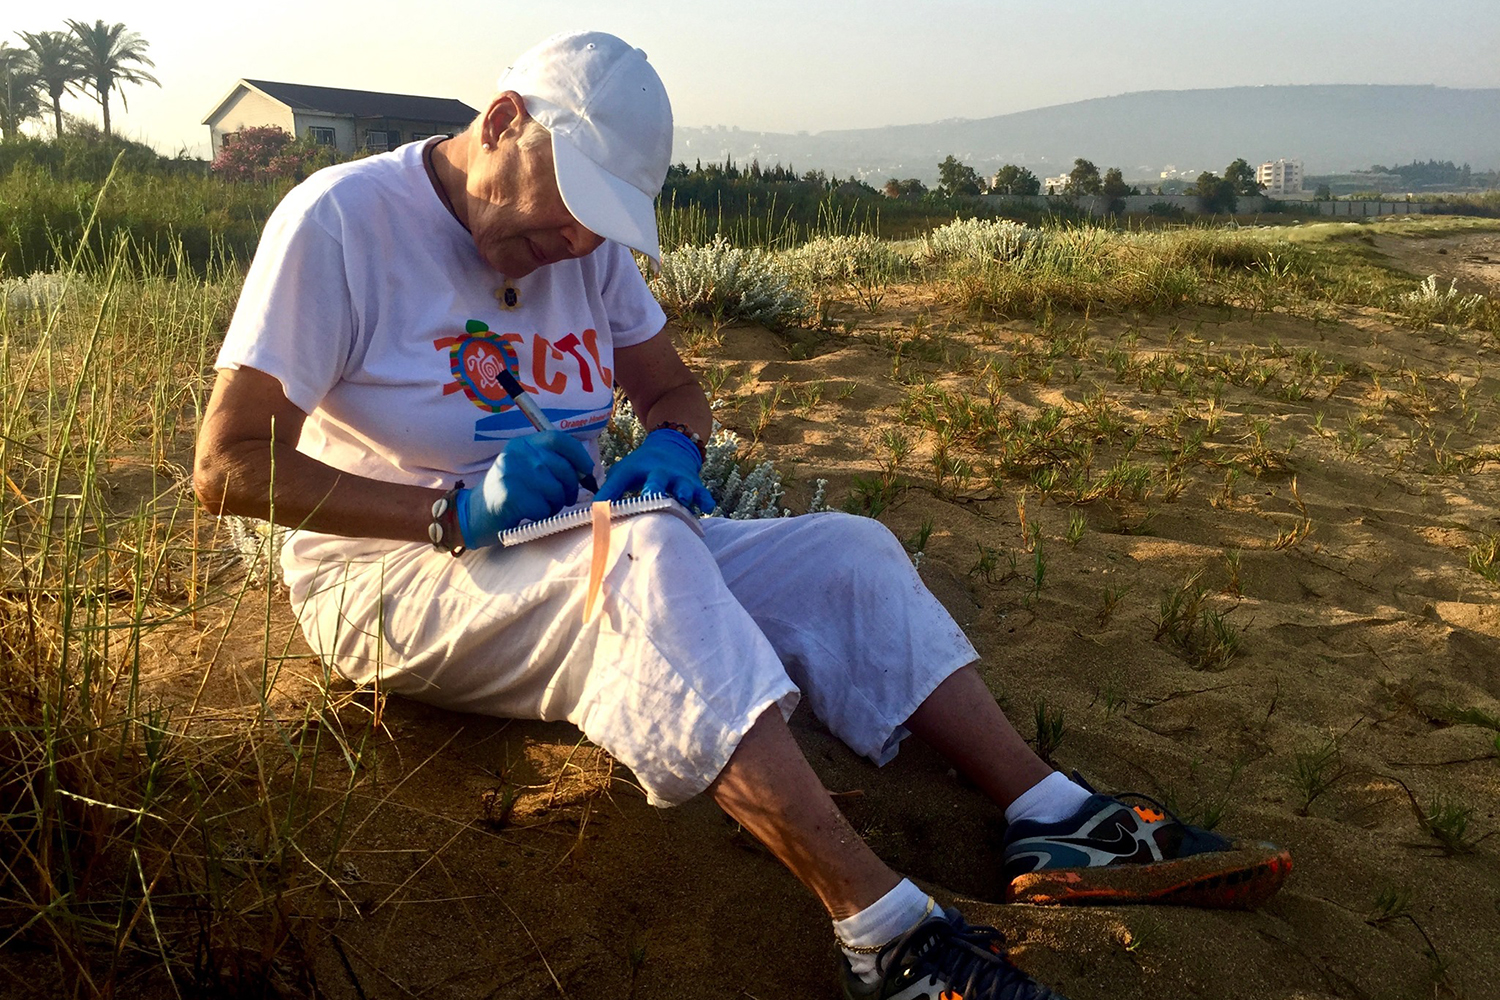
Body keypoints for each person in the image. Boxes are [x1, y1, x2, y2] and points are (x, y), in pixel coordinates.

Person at [193, 30, 1291, 1000]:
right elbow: (229, 466)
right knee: (639, 560)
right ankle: (884, 933)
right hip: (384, 577)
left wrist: (673, 445)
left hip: (565, 548)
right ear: (502, 121)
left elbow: (673, 390)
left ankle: (1053, 812)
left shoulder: (587, 250)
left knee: (845, 550)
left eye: (596, 230)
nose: (573, 249)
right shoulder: (340, 221)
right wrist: (448, 507)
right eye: (560, 218)